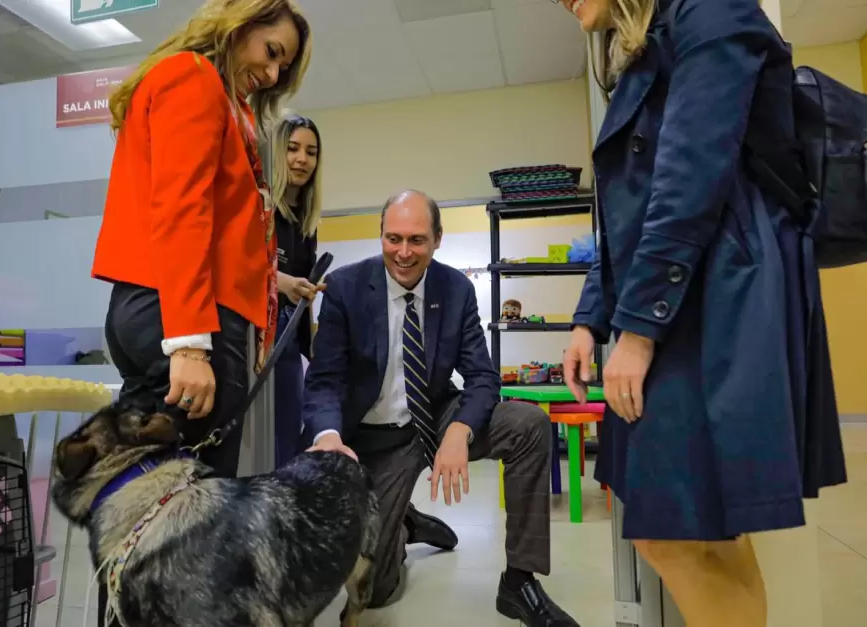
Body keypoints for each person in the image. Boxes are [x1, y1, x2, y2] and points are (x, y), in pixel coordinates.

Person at [559, 2, 847, 627]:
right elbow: (630, 209)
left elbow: (689, 179)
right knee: (701, 529)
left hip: (720, 300)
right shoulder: (643, 45)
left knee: (677, 530)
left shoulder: (710, 9)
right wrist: (591, 319)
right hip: (683, 298)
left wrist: (634, 330)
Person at [90, 1, 311, 624]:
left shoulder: (210, 95)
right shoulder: (194, 78)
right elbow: (183, 210)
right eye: (271, 53)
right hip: (181, 314)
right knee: (182, 523)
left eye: (284, 68)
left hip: (167, 308)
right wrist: (188, 343)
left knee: (157, 514)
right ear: (240, 24)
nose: (272, 75)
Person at [304, 190, 581, 627]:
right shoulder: (345, 288)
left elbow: (483, 377)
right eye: (393, 238)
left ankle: (519, 582)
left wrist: (461, 430)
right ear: (381, 236)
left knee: (529, 423)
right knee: (374, 592)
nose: (404, 252)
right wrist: (329, 435)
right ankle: (407, 526)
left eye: (416, 239)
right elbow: (324, 380)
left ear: (437, 239)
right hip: (374, 439)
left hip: (435, 416)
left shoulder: (455, 289)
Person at [269, 112, 324, 467]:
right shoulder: (258, 209)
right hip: (253, 344)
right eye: (292, 149)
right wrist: (279, 282)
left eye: (311, 151)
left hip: (288, 345)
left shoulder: (305, 222)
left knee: (289, 439)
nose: (302, 159)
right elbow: (231, 270)